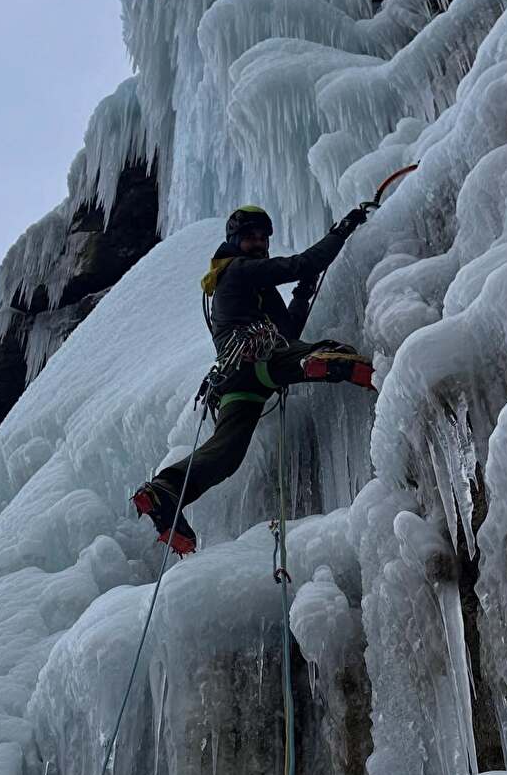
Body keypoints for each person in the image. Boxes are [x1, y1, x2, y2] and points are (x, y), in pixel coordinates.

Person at [131, 204, 375, 553]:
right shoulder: (240, 270)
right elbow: (302, 264)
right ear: (234, 241)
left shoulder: (240, 282)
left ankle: (166, 489)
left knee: (226, 454)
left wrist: (302, 294)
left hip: (237, 382)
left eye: (263, 237)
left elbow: (287, 331)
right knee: (309, 354)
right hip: (257, 361)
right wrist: (341, 231)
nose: (259, 243)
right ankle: (320, 361)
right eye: (250, 237)